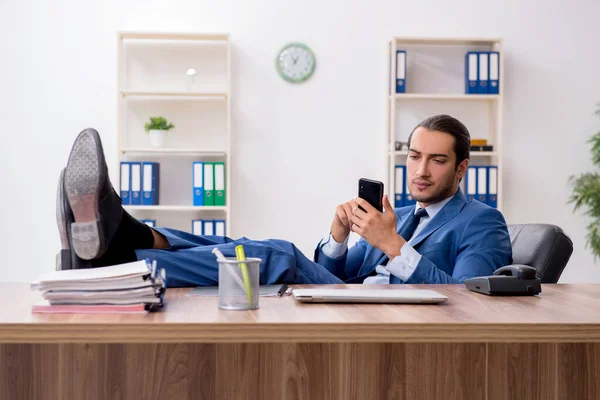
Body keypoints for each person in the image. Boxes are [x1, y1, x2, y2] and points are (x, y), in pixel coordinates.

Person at [55, 115, 511, 287]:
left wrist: (394, 247)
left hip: (390, 320)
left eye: (436, 160)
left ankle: (114, 264)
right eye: (414, 157)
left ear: (462, 168)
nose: (421, 170)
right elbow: (342, 274)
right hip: (355, 303)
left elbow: (471, 304)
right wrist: (336, 239)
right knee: (245, 243)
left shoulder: (482, 221)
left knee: (277, 255)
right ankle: (129, 237)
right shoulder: (401, 214)